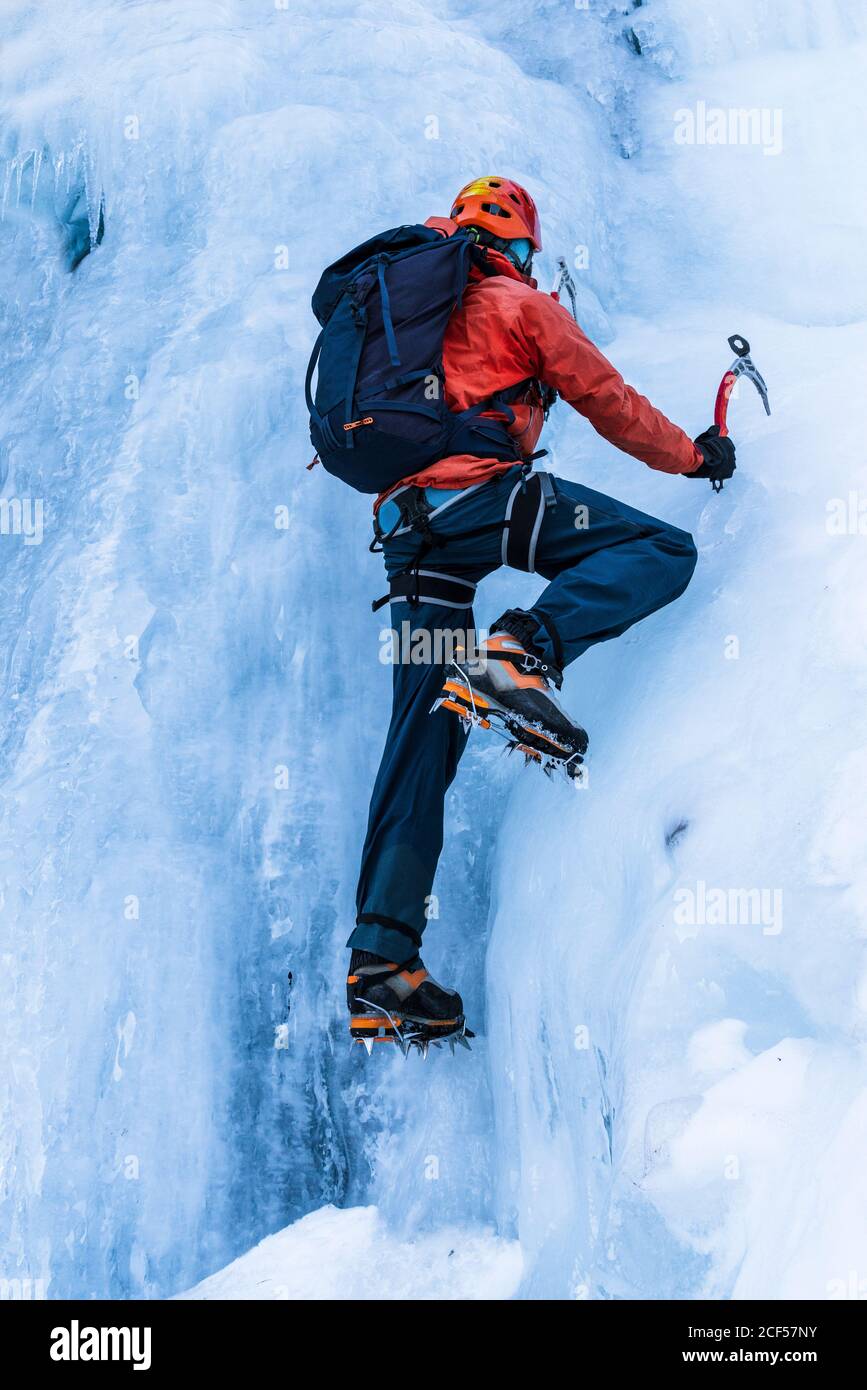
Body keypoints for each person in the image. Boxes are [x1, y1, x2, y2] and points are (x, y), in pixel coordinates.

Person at [345, 176, 735, 1050]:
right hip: (483, 500)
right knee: (659, 551)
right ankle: (518, 653)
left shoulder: (397, 310)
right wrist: (692, 457)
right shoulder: (515, 302)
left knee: (423, 731)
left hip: (408, 532)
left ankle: (382, 964)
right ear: (515, 245)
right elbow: (603, 395)